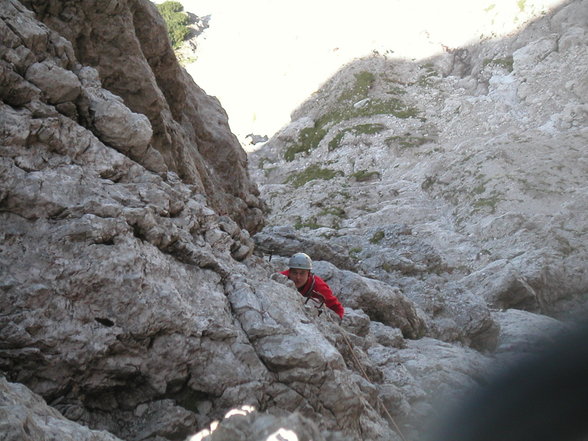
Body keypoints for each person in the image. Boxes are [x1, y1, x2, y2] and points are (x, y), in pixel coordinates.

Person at [281, 252, 344, 319]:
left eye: (302, 273)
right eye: (294, 273)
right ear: (289, 272)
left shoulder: (320, 287)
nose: (298, 277)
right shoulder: (280, 278)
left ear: (309, 274)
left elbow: (338, 309)